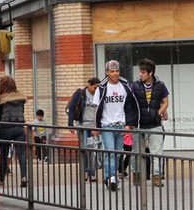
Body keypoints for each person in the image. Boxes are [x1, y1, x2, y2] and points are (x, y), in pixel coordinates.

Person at [93, 60, 139, 191]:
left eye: (117, 71)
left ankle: (110, 178)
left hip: (121, 125)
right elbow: (97, 107)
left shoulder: (124, 87)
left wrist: (129, 125)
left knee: (118, 153)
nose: (115, 74)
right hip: (107, 125)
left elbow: (130, 107)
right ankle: (112, 177)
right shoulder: (102, 88)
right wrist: (96, 126)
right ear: (107, 73)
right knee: (110, 153)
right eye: (112, 71)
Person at [130, 58, 169, 187]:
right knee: (137, 151)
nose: (140, 74)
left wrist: (158, 113)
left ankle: (157, 177)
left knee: (157, 152)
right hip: (139, 125)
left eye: (143, 72)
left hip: (155, 125)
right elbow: (130, 104)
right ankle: (136, 175)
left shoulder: (160, 85)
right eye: (140, 72)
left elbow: (165, 102)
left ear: (150, 73)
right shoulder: (135, 86)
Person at [67, 77, 101, 182]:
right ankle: (86, 171)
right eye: (94, 88)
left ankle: (93, 173)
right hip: (82, 126)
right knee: (85, 148)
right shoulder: (81, 93)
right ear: (89, 85)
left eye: (97, 88)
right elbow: (72, 107)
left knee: (93, 150)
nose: (95, 90)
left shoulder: (99, 94)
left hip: (93, 126)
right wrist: (70, 124)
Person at [0, 75, 28, 188]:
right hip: (19, 128)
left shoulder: (0, 98)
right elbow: (22, 112)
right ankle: (24, 177)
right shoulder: (20, 98)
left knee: (4, 154)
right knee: (21, 154)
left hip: (5, 128)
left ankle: (1, 179)